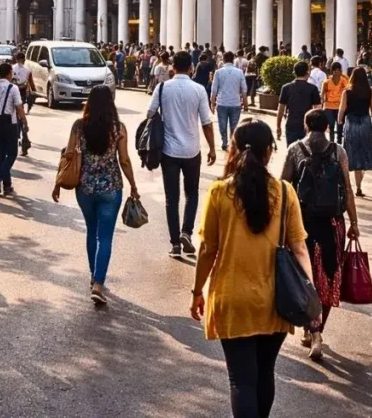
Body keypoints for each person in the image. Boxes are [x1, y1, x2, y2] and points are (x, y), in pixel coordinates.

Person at [190, 119, 312, 418]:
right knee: (265, 372)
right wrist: (311, 293)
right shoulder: (284, 193)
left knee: (242, 379)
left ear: (233, 149)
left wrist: (197, 291)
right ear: (270, 151)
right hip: (275, 300)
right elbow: (299, 248)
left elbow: (207, 250)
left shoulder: (220, 193)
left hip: (232, 298)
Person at [281, 109, 359, 361]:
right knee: (327, 276)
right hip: (333, 224)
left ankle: (311, 329)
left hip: (301, 224)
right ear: (327, 128)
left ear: (305, 126)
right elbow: (347, 189)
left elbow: (283, 187)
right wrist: (354, 222)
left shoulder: (295, 149)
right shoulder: (339, 151)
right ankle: (317, 330)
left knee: (305, 276)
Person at [52, 85, 138, 305]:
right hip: (111, 189)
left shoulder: (79, 126)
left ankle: (94, 277)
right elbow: (125, 160)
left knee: (91, 231)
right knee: (105, 236)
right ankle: (99, 283)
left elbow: (68, 155)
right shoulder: (118, 128)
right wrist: (133, 186)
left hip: (85, 188)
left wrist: (57, 182)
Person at [147, 50, 217, 258]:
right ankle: (187, 231)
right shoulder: (198, 90)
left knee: (172, 198)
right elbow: (206, 122)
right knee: (192, 194)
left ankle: (175, 244)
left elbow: (150, 114)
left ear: (172, 67)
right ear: (191, 67)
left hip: (168, 151)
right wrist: (212, 148)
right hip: (192, 150)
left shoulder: (162, 88)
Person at [0, 62, 29, 196]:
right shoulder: (13, 88)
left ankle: (7, 186)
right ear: (9, 73)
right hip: (10, 123)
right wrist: (25, 122)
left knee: (0, 154)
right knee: (12, 153)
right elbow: (19, 107)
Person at [337, 66, 372, 197]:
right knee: (364, 152)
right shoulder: (370, 91)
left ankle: (354, 184)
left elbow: (342, 108)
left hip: (351, 122)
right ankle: (359, 185)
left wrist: (339, 120)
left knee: (353, 152)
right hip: (365, 122)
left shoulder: (347, 92)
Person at [276, 61, 321, 147]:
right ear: (307, 73)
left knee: (292, 152)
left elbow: (281, 109)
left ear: (294, 73)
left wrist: (278, 126)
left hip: (291, 124)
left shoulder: (286, 88)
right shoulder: (313, 89)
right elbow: (317, 110)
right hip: (308, 126)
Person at [211, 51, 248, 152]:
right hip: (235, 103)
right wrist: (245, 103)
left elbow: (214, 89)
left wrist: (212, 103)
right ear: (233, 59)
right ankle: (233, 142)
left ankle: (224, 142)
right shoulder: (239, 72)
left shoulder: (218, 72)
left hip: (222, 102)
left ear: (223, 59)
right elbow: (244, 89)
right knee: (234, 125)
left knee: (222, 124)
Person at [11, 51, 35, 154]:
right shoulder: (28, 70)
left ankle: (20, 140)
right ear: (24, 59)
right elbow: (31, 84)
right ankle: (23, 140)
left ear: (16, 59)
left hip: (12, 94)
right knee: (20, 118)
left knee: (15, 118)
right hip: (22, 95)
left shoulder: (11, 68)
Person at [320, 62, 348, 144]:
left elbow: (348, 92)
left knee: (340, 126)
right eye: (335, 71)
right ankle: (331, 142)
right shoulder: (326, 82)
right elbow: (322, 94)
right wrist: (321, 105)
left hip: (340, 106)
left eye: (338, 70)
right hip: (328, 106)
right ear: (332, 71)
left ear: (341, 71)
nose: (337, 73)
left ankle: (339, 143)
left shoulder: (344, 81)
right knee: (331, 125)